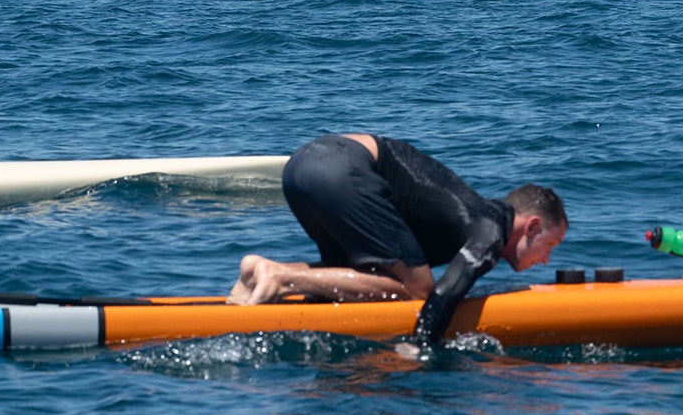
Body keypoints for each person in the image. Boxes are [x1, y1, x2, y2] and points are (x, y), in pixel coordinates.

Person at [228, 133, 568, 346]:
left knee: (350, 280)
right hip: (343, 167)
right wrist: (418, 347)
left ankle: (258, 275)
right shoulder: (491, 229)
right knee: (417, 288)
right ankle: (280, 277)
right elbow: (442, 293)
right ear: (532, 226)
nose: (547, 260)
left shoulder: (470, 215)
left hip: (301, 165)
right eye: (550, 246)